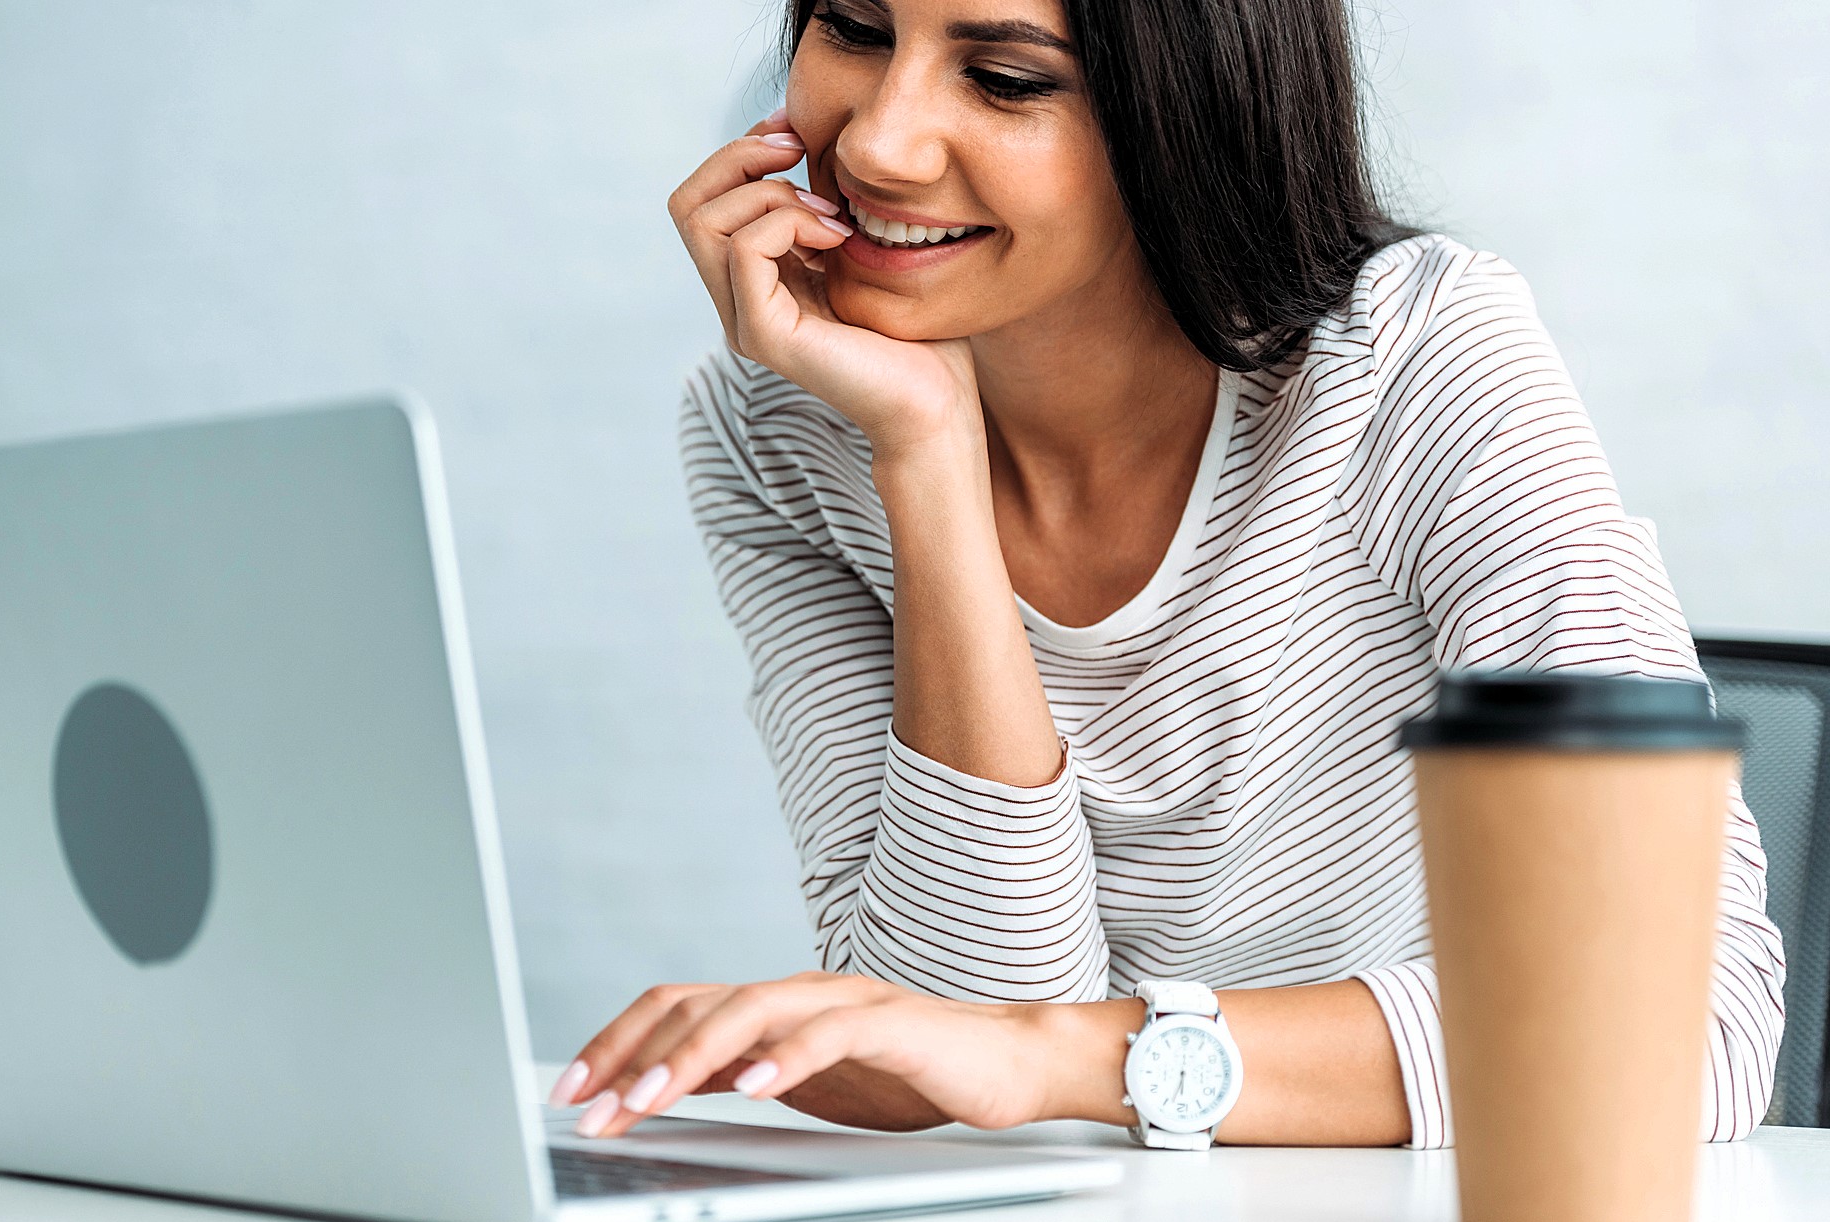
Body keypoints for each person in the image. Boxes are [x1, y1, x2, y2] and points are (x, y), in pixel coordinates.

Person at [549, 0, 1785, 1148]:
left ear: (1187, 107)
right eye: (857, 30)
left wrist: (1075, 1062)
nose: (878, 143)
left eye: (1003, 77)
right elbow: (965, 1031)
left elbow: (1677, 1023)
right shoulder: (780, 425)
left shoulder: (1408, 359)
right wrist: (926, 459)